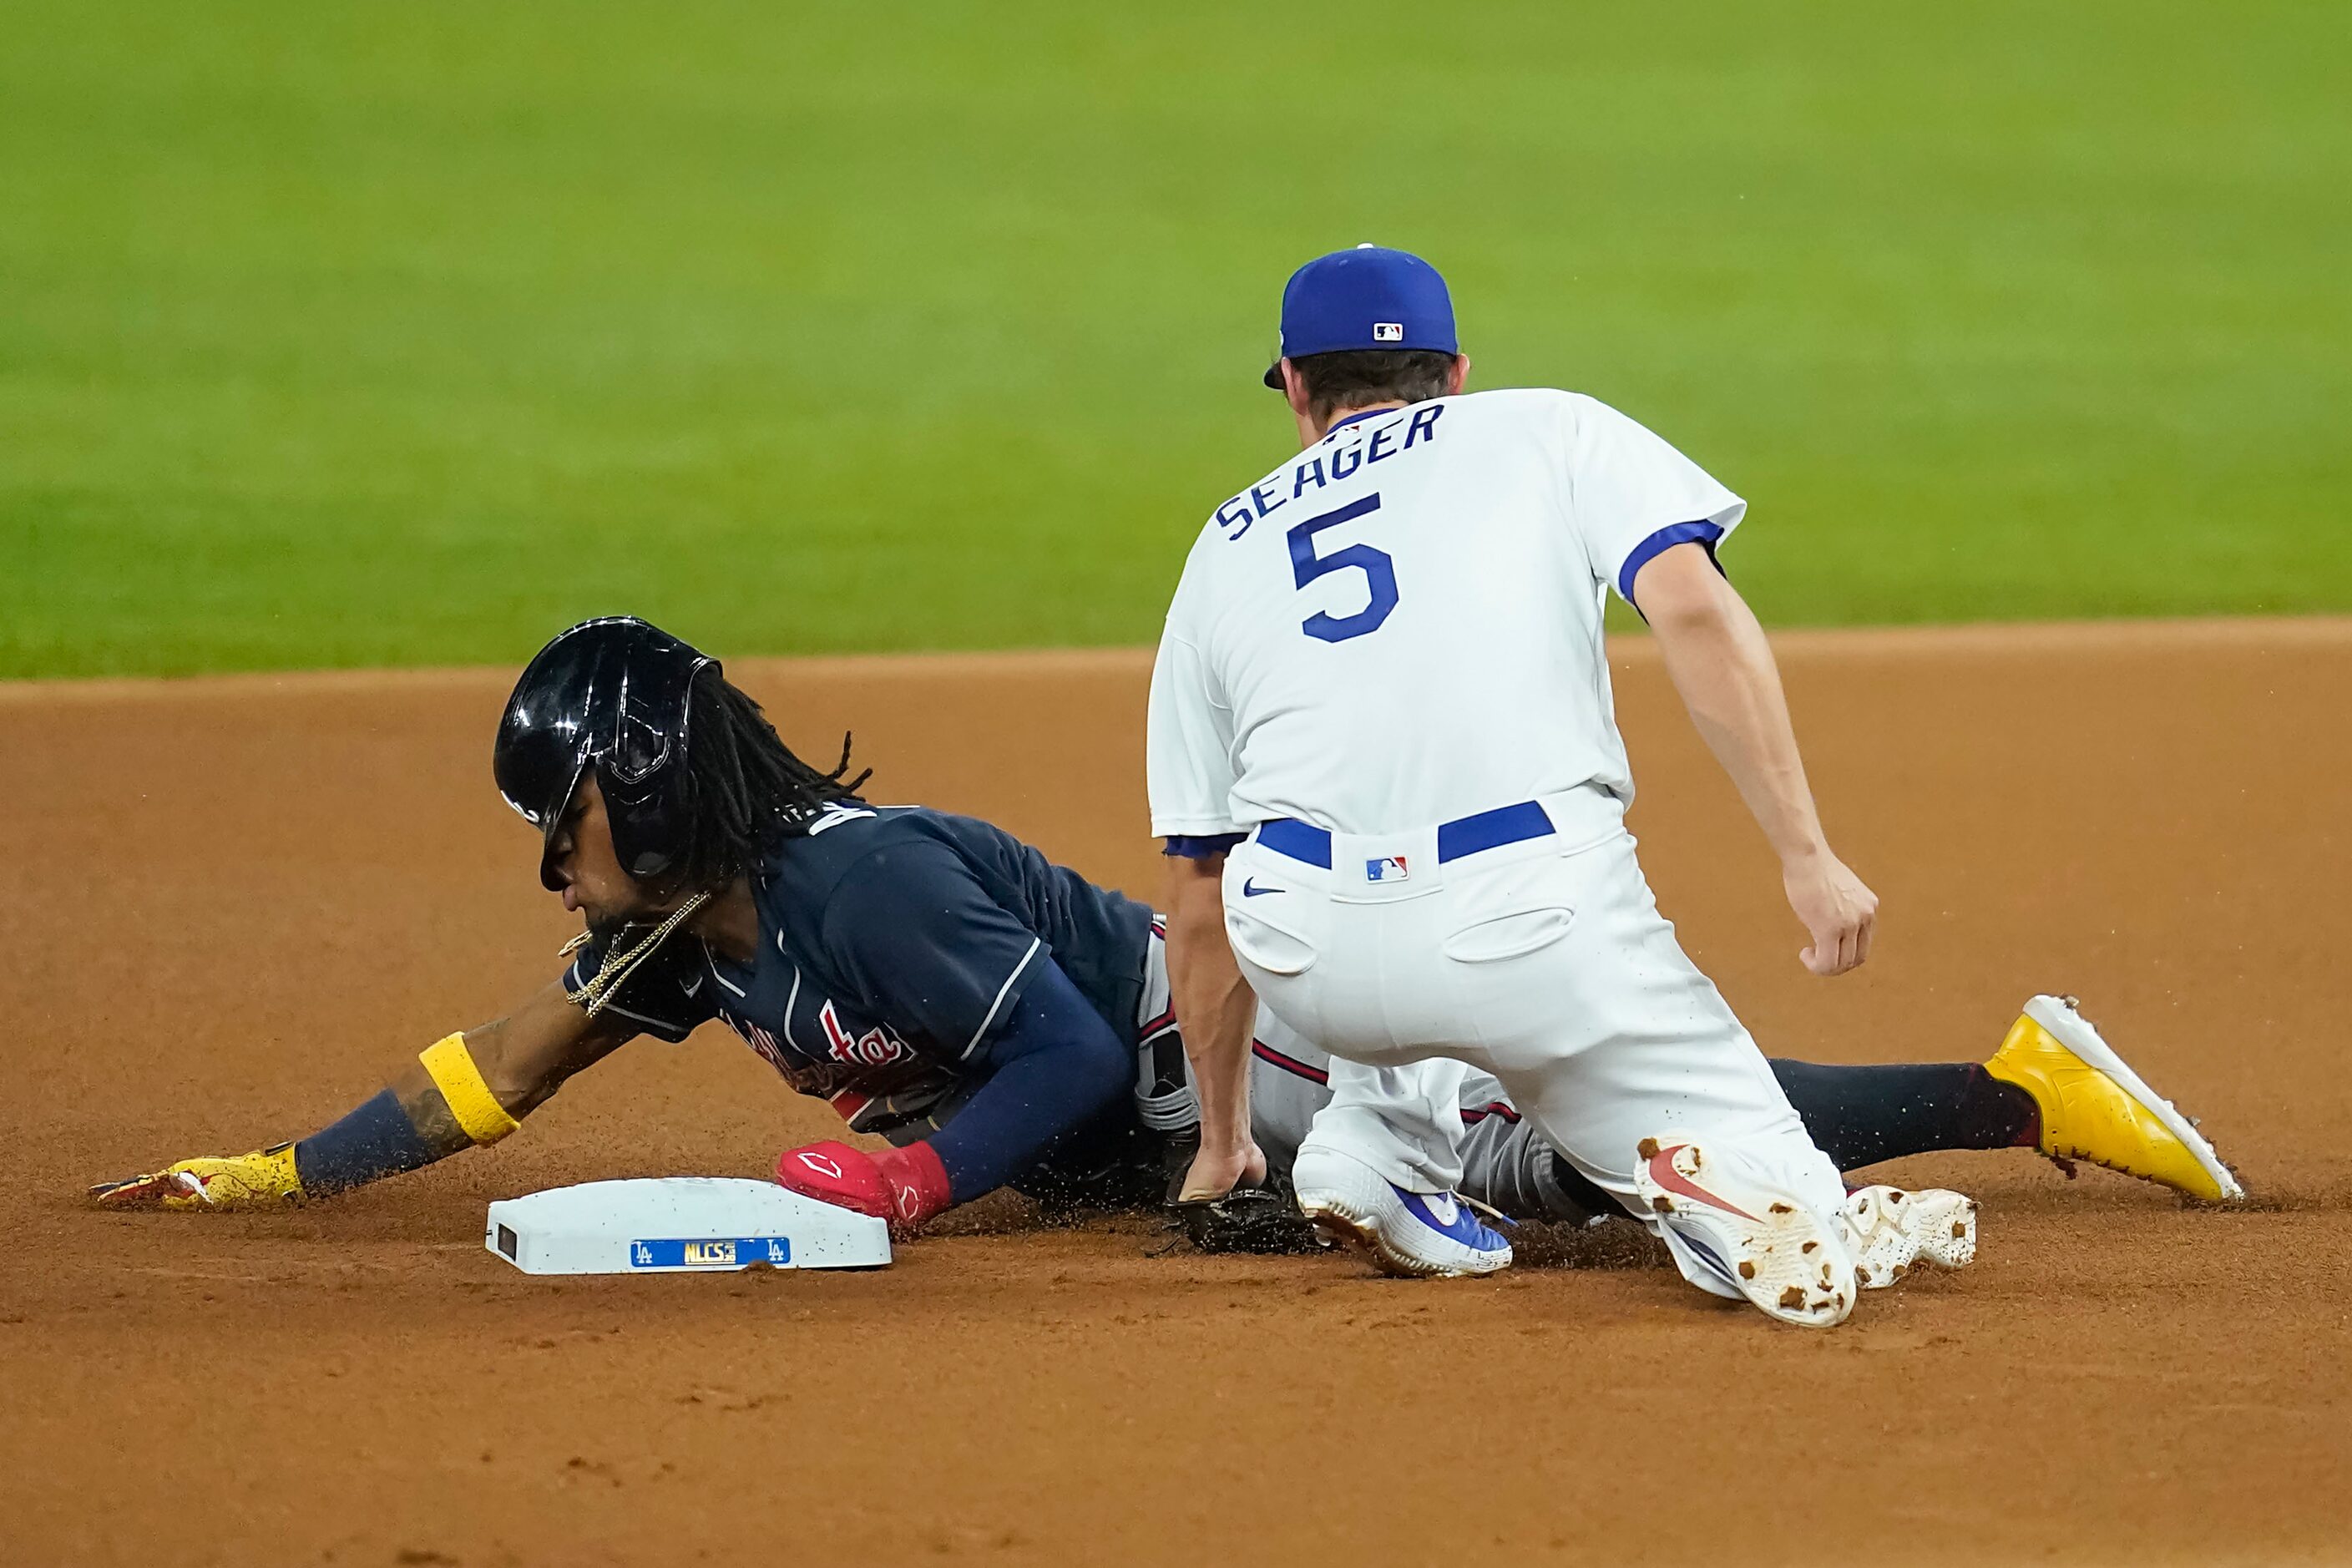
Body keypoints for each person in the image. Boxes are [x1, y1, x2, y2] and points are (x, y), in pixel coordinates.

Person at [94, 620, 2243, 1274]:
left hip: (1270, 1068)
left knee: (1606, 1160)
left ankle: (2012, 1086)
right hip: (1195, 1128)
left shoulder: (861, 882)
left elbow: (1048, 1069)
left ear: (643, 798)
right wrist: (284, 1171)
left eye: (555, 818)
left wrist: (915, 1186)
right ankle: (2000, 1091)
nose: (540, 859)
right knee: (1607, 1158)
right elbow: (503, 1069)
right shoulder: (692, 934)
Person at [1147, 244, 1959, 1322]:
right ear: (1456, 372)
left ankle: (1370, 1141)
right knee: (1792, 1204)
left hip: (1307, 952)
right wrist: (1803, 854)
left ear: (1295, 387)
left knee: (1348, 855)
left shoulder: (1221, 543)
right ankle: (1725, 1183)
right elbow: (1692, 610)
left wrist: (1222, 1143)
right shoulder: (1548, 427)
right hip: (1527, 928)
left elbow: (1198, 895)